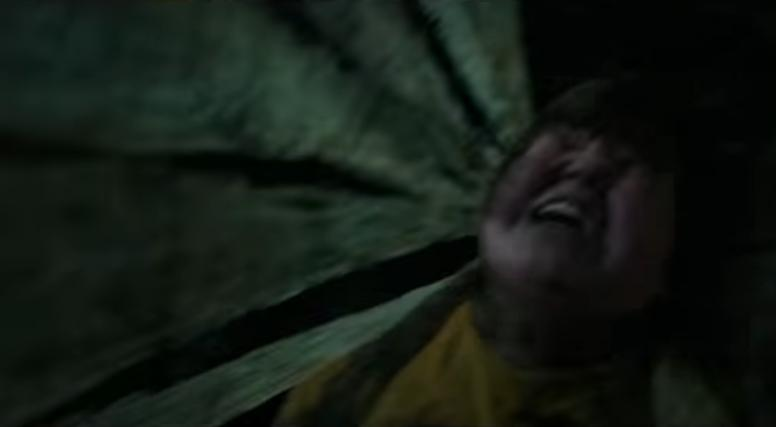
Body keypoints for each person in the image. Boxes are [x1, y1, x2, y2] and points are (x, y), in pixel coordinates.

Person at [274, 78, 740, 427]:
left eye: (629, 163)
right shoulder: (344, 374)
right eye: (565, 140)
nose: (588, 167)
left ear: (670, 263)